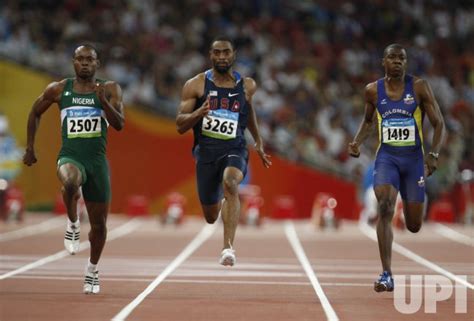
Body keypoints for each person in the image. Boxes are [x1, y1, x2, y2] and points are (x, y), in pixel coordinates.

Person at [23, 44, 125, 294]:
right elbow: (35, 112)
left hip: (97, 162)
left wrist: (104, 104)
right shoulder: (59, 89)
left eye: (90, 59)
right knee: (70, 182)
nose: (85, 63)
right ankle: (72, 223)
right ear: (73, 62)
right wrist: (29, 148)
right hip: (71, 156)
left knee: (99, 226)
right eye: (80, 59)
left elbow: (120, 124)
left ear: (97, 63)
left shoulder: (109, 89)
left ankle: (92, 270)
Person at [348, 43, 446, 292]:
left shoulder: (420, 87)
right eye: (392, 58)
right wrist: (357, 142)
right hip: (387, 158)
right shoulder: (372, 91)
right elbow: (368, 121)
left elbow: (439, 123)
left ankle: (409, 209)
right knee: (384, 206)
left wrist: (433, 155)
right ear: (384, 62)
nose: (397, 62)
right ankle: (386, 274)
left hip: (413, 161)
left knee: (414, 225)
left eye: (401, 58)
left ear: (406, 62)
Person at [176, 36, 271, 266]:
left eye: (226, 52)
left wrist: (257, 140)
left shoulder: (247, 85)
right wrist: (199, 113)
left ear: (233, 54)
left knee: (231, 183)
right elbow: (180, 125)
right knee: (210, 216)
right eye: (216, 53)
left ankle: (228, 248)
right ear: (210, 55)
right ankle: (221, 203)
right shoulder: (196, 85)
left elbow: (248, 113)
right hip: (206, 152)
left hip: (235, 147)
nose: (221, 57)